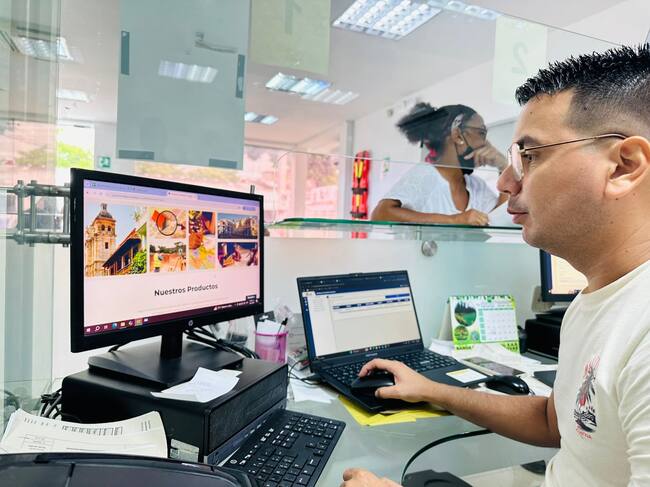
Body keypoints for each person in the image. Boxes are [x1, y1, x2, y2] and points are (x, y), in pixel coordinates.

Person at [342, 45, 650, 487]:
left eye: (531, 156)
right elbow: (553, 421)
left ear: (623, 167)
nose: (507, 182)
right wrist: (432, 389)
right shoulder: (590, 303)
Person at [371, 103, 508, 226]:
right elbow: (380, 214)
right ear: (458, 135)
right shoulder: (425, 174)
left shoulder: (476, 186)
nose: (485, 143)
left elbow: (498, 219)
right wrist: (455, 220)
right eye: (481, 133)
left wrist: (504, 167)